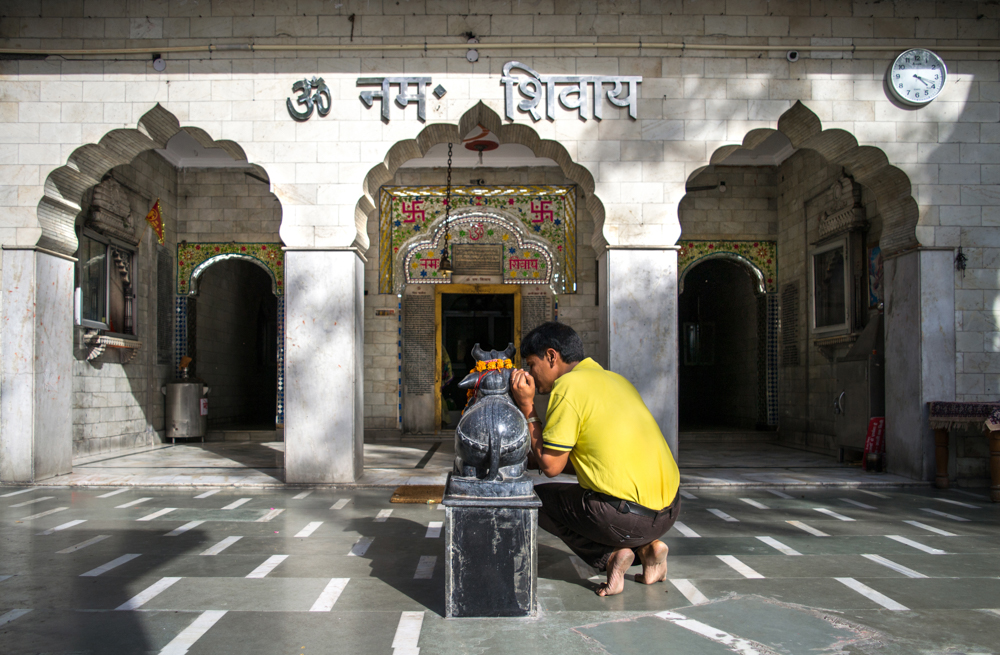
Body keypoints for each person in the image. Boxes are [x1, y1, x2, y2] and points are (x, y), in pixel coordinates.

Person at [509, 322, 681, 597]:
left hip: (624, 518)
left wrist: (527, 406)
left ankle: (610, 556)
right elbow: (594, 457)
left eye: (531, 364)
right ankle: (649, 551)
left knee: (535, 500)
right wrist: (534, 459)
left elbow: (552, 467)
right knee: (593, 495)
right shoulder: (616, 379)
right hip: (670, 510)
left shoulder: (567, 387)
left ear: (551, 356)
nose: (531, 373)